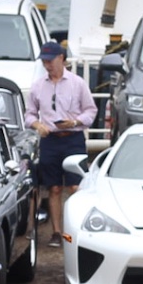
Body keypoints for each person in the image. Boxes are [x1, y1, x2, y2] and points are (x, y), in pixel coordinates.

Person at [25, 41, 97, 247]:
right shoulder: (38, 86)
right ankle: (57, 232)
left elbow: (91, 111)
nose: (47, 65)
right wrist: (38, 125)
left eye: (50, 61)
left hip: (73, 138)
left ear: (61, 59)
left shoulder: (77, 83)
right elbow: (29, 114)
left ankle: (79, 230)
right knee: (54, 187)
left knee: (76, 186)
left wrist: (75, 122)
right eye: (44, 61)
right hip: (50, 140)